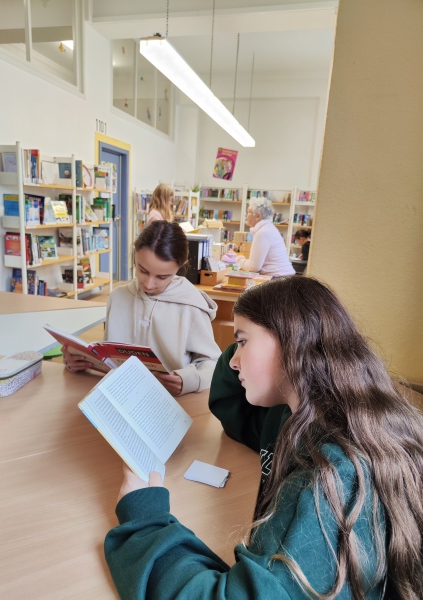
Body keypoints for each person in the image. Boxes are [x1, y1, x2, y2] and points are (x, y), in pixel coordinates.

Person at [104, 277, 423, 599]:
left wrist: (144, 514)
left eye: (242, 341)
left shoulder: (329, 478)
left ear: (292, 342)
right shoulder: (331, 419)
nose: (233, 360)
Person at [62, 221, 220, 396]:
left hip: (170, 400)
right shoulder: (118, 297)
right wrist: (77, 360)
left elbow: (213, 362)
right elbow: (108, 356)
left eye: (162, 277)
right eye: (143, 270)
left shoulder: (192, 307)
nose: (149, 284)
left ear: (181, 266)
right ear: (135, 255)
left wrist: (189, 380)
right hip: (120, 394)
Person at [236, 196, 295, 277]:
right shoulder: (268, 228)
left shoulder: (263, 233)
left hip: (278, 278)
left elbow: (253, 267)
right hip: (283, 277)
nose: (246, 215)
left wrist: (237, 258)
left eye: (249, 212)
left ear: (258, 216)